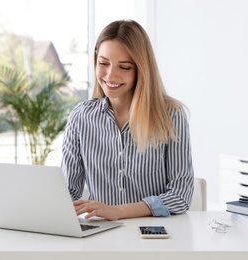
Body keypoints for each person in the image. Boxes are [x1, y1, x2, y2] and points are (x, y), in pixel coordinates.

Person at [61, 19, 194, 221]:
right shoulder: (81, 117)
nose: (110, 75)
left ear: (141, 69)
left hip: (153, 236)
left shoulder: (171, 115)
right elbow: (68, 191)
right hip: (101, 234)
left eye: (124, 67)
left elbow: (180, 195)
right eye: (103, 63)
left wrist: (119, 211)